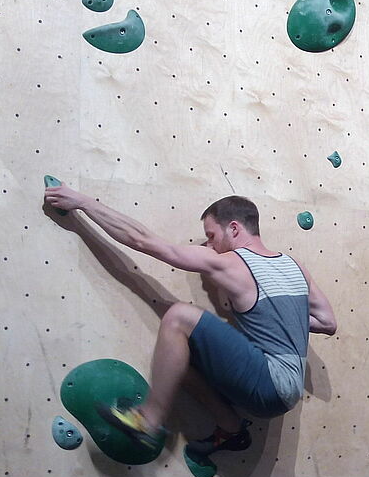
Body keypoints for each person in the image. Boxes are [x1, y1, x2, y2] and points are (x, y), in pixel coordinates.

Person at [44, 187, 337, 454]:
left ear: (233, 228)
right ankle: (231, 428)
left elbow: (144, 241)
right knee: (176, 359)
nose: (210, 246)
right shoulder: (294, 266)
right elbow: (327, 322)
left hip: (269, 382)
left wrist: (83, 203)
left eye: (211, 236)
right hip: (286, 392)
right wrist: (279, 323)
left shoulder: (232, 263)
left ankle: (148, 420)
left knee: (179, 317)